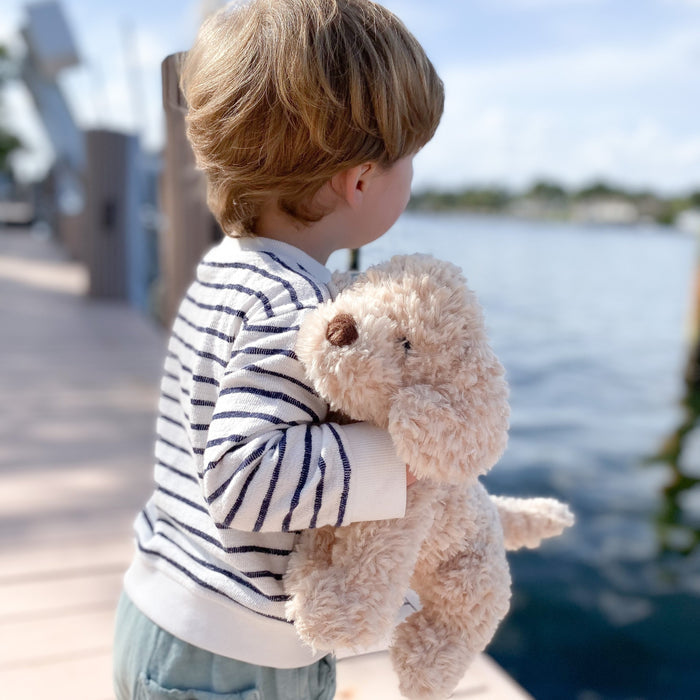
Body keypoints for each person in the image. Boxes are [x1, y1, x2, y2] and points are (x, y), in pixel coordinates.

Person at [113, 1, 444, 698]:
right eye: (409, 156)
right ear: (360, 180)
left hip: (172, 613)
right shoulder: (290, 308)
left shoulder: (228, 270)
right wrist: (401, 465)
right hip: (230, 661)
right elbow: (242, 473)